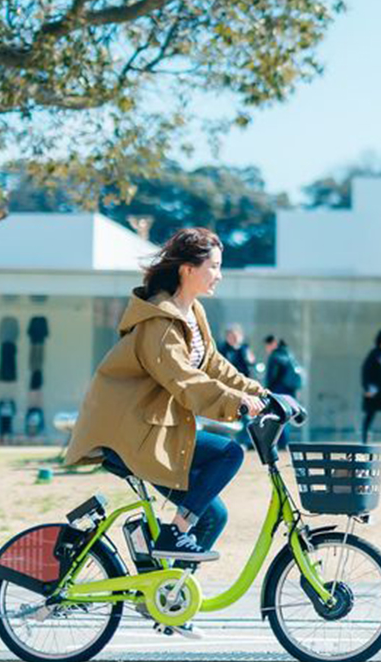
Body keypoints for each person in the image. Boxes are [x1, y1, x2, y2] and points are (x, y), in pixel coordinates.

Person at [63, 227, 269, 569]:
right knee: (229, 453)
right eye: (214, 267)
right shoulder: (159, 321)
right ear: (187, 269)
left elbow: (213, 365)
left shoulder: (192, 312)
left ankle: (172, 592)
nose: (219, 275)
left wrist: (261, 393)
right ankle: (175, 533)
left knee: (213, 516)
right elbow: (184, 380)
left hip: (153, 428)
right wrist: (237, 402)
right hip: (130, 432)